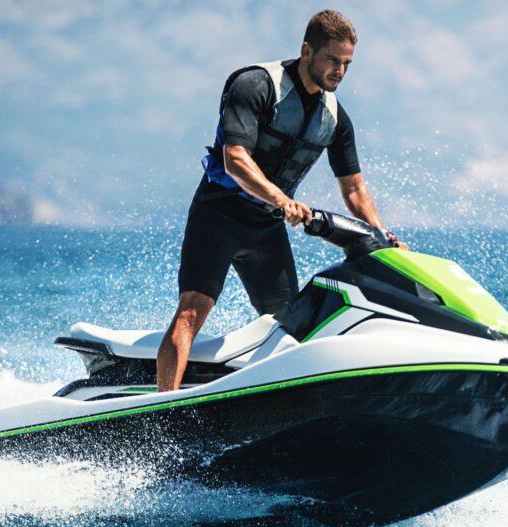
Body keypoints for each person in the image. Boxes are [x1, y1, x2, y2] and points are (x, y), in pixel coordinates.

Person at [156, 9, 395, 392]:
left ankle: (277, 403)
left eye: (347, 63)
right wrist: (282, 199)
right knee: (192, 309)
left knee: (290, 327)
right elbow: (234, 158)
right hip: (219, 213)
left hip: (265, 227)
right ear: (306, 50)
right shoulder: (257, 85)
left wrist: (381, 235)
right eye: (332, 60)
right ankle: (162, 408)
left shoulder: (336, 118)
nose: (340, 71)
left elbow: (353, 188)